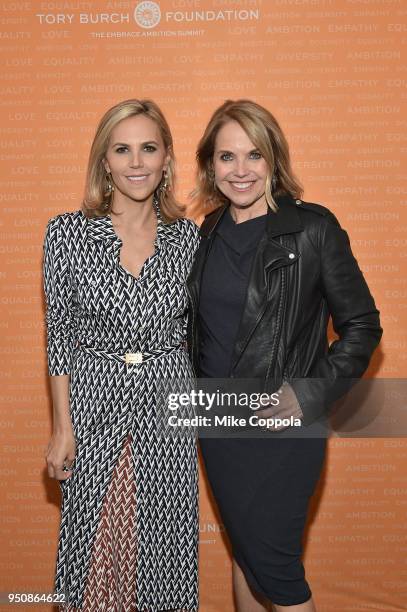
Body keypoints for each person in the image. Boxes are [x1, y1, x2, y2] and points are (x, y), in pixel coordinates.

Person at [187, 99, 382, 611]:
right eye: (227, 157)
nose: (241, 170)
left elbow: (362, 325)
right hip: (217, 423)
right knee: (246, 555)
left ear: (274, 159)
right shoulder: (205, 232)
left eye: (254, 155)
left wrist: (310, 391)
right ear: (210, 164)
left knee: (275, 566)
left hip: (282, 425)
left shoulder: (313, 229)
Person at [43, 99, 199, 611]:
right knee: (93, 546)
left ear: (166, 159)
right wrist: (63, 427)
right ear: (104, 160)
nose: (136, 162)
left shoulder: (190, 238)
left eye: (148, 148)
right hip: (93, 400)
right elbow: (60, 334)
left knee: (163, 547)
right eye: (123, 149)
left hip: (168, 403)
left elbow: (207, 332)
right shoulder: (66, 233)